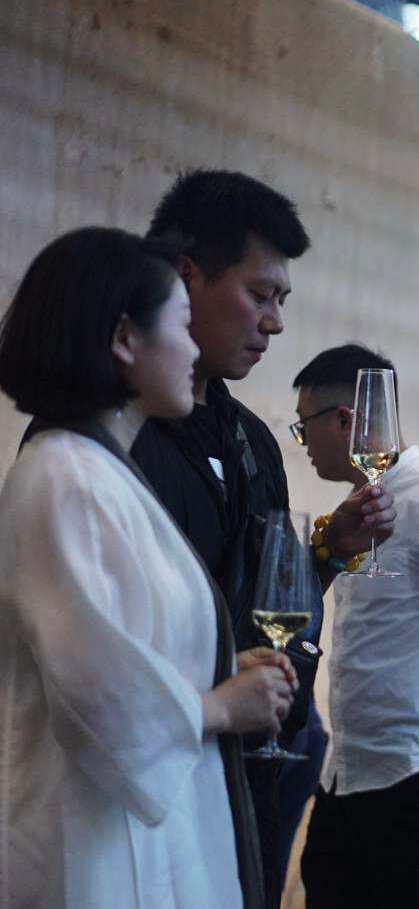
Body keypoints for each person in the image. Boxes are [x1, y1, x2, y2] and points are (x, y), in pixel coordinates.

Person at [0, 227, 296, 909]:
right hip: (87, 844)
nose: (193, 349)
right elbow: (99, 691)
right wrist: (222, 705)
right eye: (181, 326)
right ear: (125, 340)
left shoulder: (101, 472)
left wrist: (219, 668)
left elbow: (125, 649)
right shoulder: (65, 479)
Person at [130, 169, 396, 905]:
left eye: (282, 300)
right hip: (158, 765)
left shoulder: (249, 437)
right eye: (260, 294)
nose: (275, 323)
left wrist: (329, 552)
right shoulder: (114, 436)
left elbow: (264, 594)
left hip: (254, 760)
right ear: (186, 278)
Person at [290, 343, 419, 909]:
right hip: (352, 770)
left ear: (345, 419)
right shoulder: (357, 510)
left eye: (304, 428)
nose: (304, 444)